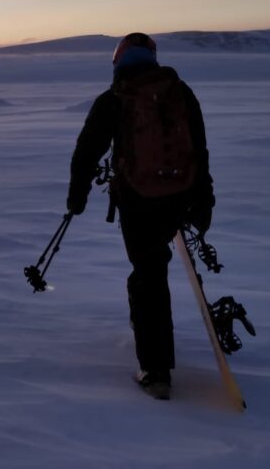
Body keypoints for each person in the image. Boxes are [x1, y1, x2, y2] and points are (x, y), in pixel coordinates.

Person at [66, 32, 215, 400]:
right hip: (180, 197)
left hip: (137, 201)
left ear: (118, 60)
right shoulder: (181, 93)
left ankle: (155, 369)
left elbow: (87, 151)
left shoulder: (114, 99)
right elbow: (199, 149)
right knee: (150, 271)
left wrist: (77, 197)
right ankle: (147, 330)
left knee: (149, 274)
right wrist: (203, 200)